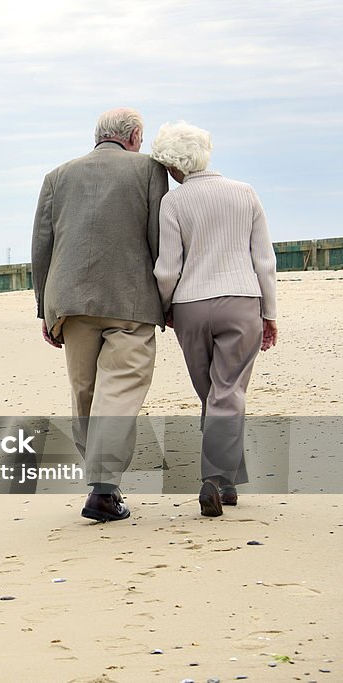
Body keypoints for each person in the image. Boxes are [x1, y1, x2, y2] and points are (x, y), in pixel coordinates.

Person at [32, 108, 169, 522]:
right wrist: (167, 298)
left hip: (69, 302)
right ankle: (104, 490)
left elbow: (42, 244)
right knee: (120, 388)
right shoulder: (148, 170)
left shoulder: (57, 175)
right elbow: (158, 236)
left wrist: (44, 307)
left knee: (85, 392)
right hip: (130, 299)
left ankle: (100, 482)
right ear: (134, 136)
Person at [150, 121, 278, 517]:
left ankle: (225, 482)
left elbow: (167, 268)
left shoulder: (173, 203)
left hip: (190, 306)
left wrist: (166, 306)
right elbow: (264, 261)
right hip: (242, 301)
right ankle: (215, 478)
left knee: (213, 394)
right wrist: (270, 313)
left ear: (173, 167)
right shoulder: (245, 193)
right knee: (228, 393)